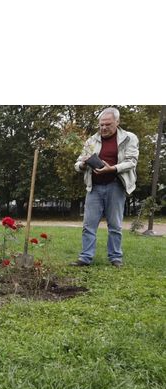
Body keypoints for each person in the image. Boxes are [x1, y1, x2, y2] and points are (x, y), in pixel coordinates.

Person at [71, 107, 139, 268]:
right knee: (88, 225)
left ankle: (115, 257)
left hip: (115, 185)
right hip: (94, 187)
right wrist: (83, 163)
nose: (103, 128)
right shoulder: (91, 140)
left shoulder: (129, 138)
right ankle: (85, 257)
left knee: (115, 224)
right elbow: (78, 163)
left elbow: (131, 161)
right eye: (101, 125)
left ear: (117, 122)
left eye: (107, 124)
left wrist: (112, 168)